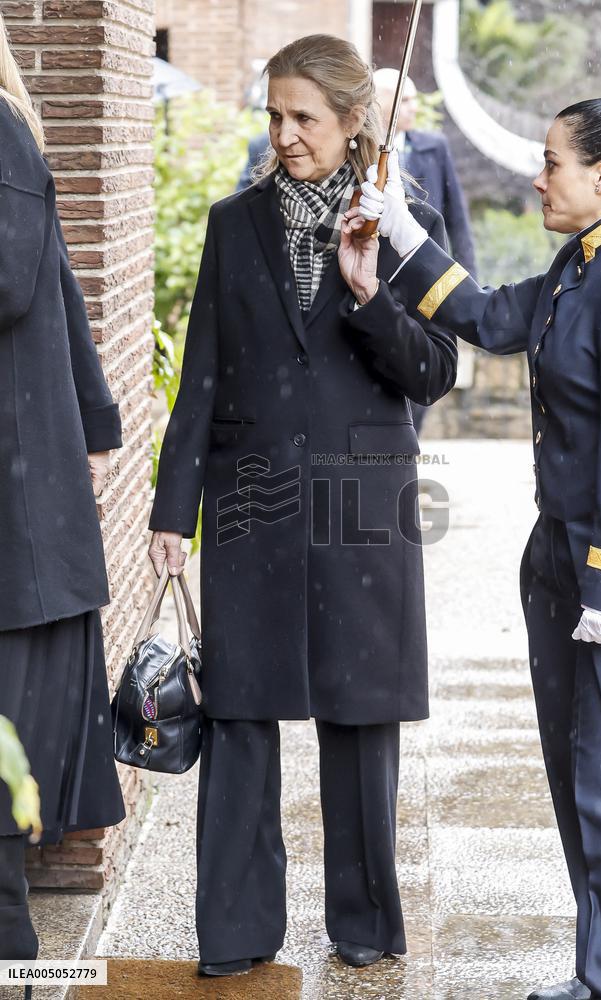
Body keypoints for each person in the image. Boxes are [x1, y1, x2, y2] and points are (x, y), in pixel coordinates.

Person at [148, 33, 457, 977]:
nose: (284, 134)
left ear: (353, 119)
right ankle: (237, 932)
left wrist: (368, 296)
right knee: (240, 713)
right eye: (274, 115)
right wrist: (172, 511)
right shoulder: (233, 223)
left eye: (304, 117)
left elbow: (435, 372)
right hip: (250, 501)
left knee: (359, 715)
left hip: (364, 500)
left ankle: (363, 922)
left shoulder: (403, 220)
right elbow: (200, 375)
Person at [348, 97, 601, 1000]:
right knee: (576, 781)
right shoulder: (581, 262)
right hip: (558, 558)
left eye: (552, 163)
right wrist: (402, 231)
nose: (536, 178)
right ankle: (600, 971)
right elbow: (487, 316)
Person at [0, 14, 126, 998]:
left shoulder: (1, 133)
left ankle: (12, 946)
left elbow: (10, 280)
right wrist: (94, 417)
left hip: (14, 497)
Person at [374, 68, 476, 436]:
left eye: (415, 99)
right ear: (380, 102)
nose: (413, 107)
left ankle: (409, 444)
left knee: (423, 371)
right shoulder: (361, 150)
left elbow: (456, 220)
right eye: (404, 99)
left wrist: (466, 288)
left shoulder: (434, 147)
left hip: (425, 279)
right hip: (380, 280)